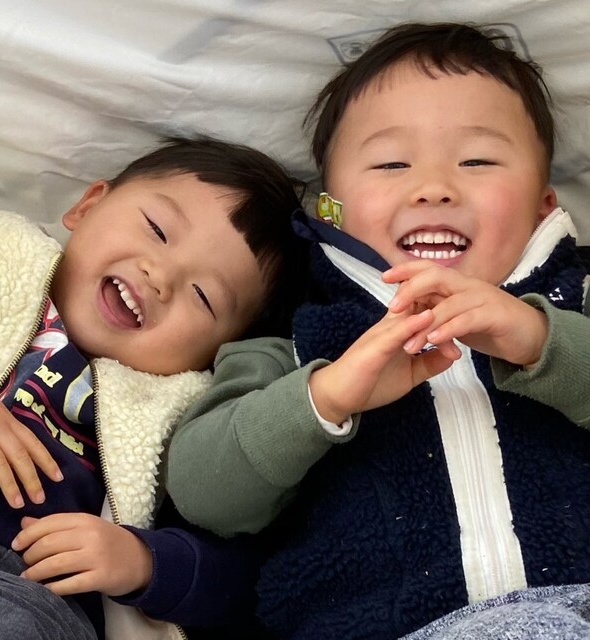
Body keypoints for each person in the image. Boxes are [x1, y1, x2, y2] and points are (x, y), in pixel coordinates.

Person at [166, 23, 590, 640]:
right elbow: (204, 496)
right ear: (329, 210)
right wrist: (326, 397)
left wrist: (543, 342)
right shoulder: (295, 341)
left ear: (543, 205)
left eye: (477, 161)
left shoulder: (574, 302)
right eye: (392, 163)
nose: (434, 189)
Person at [0, 135, 306, 639]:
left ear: (216, 354)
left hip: (15, 585)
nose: (160, 276)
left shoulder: (185, 422)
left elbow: (243, 579)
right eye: (157, 229)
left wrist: (143, 562)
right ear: (88, 205)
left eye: (203, 296)